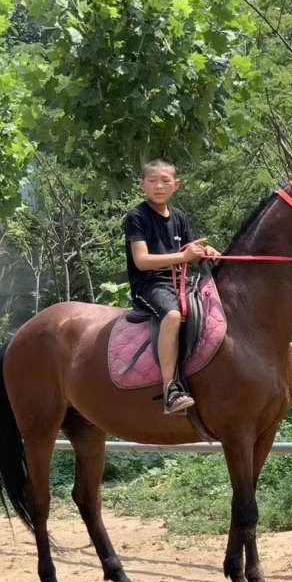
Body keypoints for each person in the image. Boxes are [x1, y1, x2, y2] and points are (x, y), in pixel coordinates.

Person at [124, 159, 220, 414]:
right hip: (150, 284)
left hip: (181, 282)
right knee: (173, 314)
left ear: (176, 185)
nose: (159, 186)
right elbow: (142, 261)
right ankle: (170, 389)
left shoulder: (179, 217)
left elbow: (190, 251)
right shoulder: (136, 216)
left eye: (165, 181)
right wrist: (184, 257)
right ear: (141, 184)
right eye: (152, 180)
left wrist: (204, 252)